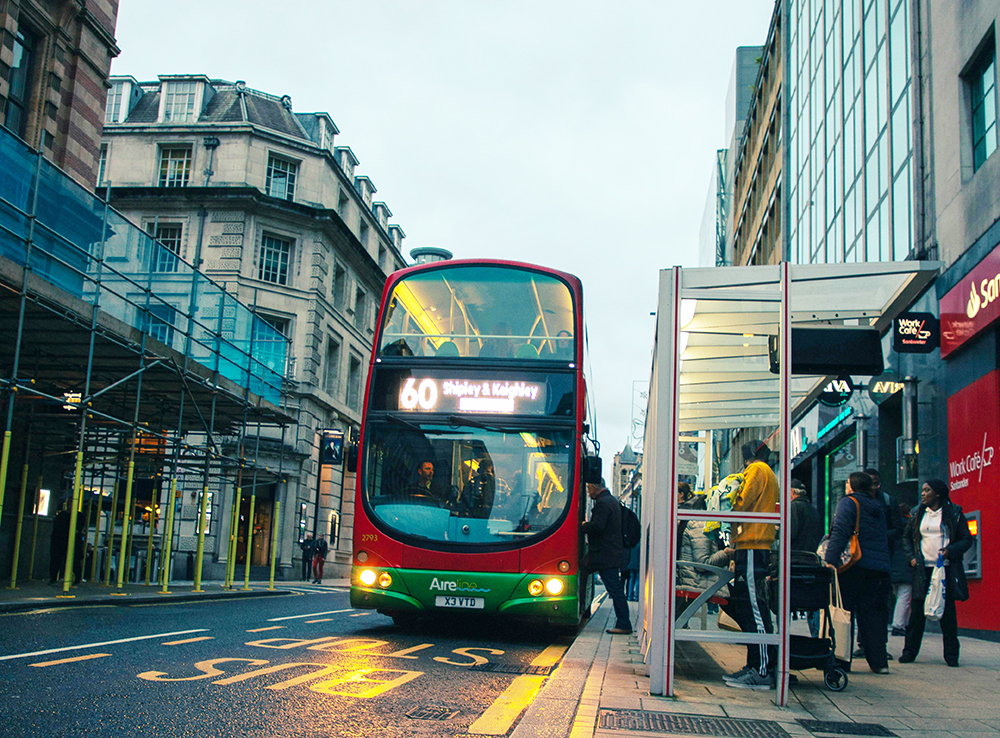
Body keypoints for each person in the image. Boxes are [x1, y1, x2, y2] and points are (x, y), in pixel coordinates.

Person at [898, 479, 972, 667]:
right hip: (922, 569)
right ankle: (909, 652)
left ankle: (951, 656)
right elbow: (906, 538)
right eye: (922, 490)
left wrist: (950, 551)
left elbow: (966, 539)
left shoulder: (954, 513)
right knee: (917, 613)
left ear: (938, 493)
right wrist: (911, 558)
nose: (923, 494)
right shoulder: (917, 513)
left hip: (945, 569)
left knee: (948, 614)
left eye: (927, 490)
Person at [823, 472, 891, 674]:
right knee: (871, 615)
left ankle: (842, 660)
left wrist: (830, 560)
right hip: (876, 567)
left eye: (847, 482)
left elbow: (840, 532)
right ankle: (879, 663)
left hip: (854, 565)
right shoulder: (877, 506)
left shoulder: (848, 502)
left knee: (845, 613)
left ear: (852, 486)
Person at [724, 441, 778, 690]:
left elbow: (741, 503)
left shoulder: (757, 470)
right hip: (754, 544)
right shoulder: (768, 472)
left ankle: (763, 670)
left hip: (753, 543)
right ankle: (755, 664)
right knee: (751, 605)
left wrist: (728, 494)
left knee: (755, 606)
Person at [581, 478, 631, 635]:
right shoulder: (611, 501)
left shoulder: (603, 503)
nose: (588, 492)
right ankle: (582, 606)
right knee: (585, 572)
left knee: (614, 589)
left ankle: (624, 623)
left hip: (604, 555)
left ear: (595, 487)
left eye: (589, 488)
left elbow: (598, 526)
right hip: (607, 553)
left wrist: (584, 525)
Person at [789, 479, 822, 638]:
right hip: (811, 560)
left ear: (792, 492)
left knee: (786, 598)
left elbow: (791, 533)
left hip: (795, 559)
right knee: (812, 600)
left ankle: (782, 634)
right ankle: (816, 635)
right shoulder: (812, 509)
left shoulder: (794, 507)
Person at [891, 502, 913, 636]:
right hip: (906, 567)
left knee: (900, 596)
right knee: (905, 597)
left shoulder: (893, 527)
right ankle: (898, 625)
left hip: (893, 568)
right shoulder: (909, 526)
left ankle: (903, 624)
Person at [49, 503, 71, 585]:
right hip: (61, 541)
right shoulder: (62, 515)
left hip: (60, 540)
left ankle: (55, 578)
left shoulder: (61, 516)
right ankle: (55, 578)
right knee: (57, 561)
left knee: (57, 560)